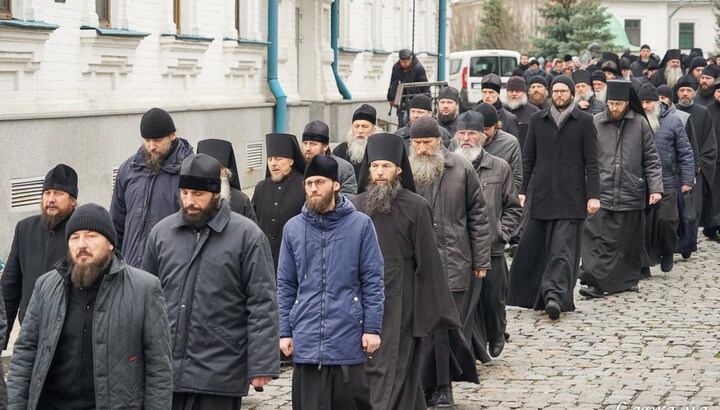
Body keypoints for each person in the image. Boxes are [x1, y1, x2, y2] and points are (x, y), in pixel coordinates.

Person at [142, 154, 279, 409]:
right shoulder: (161, 233)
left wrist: (262, 363)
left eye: (197, 194)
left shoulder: (248, 236)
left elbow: (262, 303)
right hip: (166, 371)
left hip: (220, 370)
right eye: (184, 193)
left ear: (216, 193)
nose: (189, 201)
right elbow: (144, 298)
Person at [7, 204, 173, 409]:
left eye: (91, 236)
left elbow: (159, 370)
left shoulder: (145, 289)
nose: (81, 244)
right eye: (74, 237)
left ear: (110, 244)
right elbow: (25, 353)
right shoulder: (46, 286)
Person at [352, 133, 461, 410]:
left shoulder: (416, 206)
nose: (379, 172)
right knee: (380, 367)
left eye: (386, 166)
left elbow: (429, 262)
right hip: (362, 297)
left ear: (399, 169)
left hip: (402, 298)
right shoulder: (356, 206)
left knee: (390, 365)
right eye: (375, 166)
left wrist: (432, 310)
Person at [277, 155, 384, 410]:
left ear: (335, 185)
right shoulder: (293, 229)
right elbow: (285, 284)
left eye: (320, 182)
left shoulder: (360, 225)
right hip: (306, 338)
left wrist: (372, 327)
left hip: (347, 336)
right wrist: (284, 331)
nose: (313, 189)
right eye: (309, 183)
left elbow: (373, 280)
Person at [507, 76, 600, 320]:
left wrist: (594, 195)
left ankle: (554, 297)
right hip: (543, 197)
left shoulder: (585, 121)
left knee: (562, 250)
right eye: (556, 91)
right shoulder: (538, 120)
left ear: (572, 94)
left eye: (564, 91)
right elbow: (528, 159)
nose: (559, 95)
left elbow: (592, 161)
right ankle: (538, 295)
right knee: (537, 249)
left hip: (572, 198)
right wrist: (522, 190)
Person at [408, 116, 486, 407]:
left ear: (439, 141)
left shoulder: (461, 167)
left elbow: (478, 216)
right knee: (426, 329)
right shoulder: (407, 170)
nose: (422, 149)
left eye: (427, 142)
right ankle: (430, 385)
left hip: (455, 259)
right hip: (419, 265)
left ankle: (444, 387)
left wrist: (481, 260)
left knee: (446, 328)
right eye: (417, 143)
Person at [578, 80, 663, 298]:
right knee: (596, 239)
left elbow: (651, 160)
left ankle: (626, 280)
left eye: (618, 104)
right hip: (600, 192)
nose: (614, 108)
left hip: (631, 190)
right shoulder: (595, 122)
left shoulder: (640, 124)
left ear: (627, 103)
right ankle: (594, 282)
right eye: (611, 103)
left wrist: (655, 188)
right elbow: (584, 158)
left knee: (628, 241)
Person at [453, 111, 522, 363]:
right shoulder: (450, 166)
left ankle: (496, 332)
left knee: (493, 300)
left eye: (471, 133)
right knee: (467, 303)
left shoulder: (499, 167)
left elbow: (513, 207)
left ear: (482, 136)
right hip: (459, 247)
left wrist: (501, 232)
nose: (466, 138)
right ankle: (472, 347)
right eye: (461, 133)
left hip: (491, 246)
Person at [2, 164, 78, 346]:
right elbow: (9, 291)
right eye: (47, 193)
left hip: (69, 337)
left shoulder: (81, 232)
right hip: (30, 333)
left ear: (73, 200)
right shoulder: (25, 229)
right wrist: (2, 341)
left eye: (58, 194)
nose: (51, 199)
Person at [110, 107, 194, 268]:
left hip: (171, 269)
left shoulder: (189, 170)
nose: (151, 147)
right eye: (147, 140)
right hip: (130, 269)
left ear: (173, 136)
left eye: (157, 141)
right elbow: (116, 221)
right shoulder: (128, 170)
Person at [635, 84, 694, 276]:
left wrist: (687, 179)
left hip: (667, 180)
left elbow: (685, 152)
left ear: (658, 102)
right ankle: (644, 265)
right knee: (642, 226)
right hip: (641, 182)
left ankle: (668, 250)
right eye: (642, 102)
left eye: (649, 102)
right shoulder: (635, 121)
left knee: (667, 221)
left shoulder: (673, 122)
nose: (645, 106)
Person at [252, 133, 307, 270]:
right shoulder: (261, 187)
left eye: (278, 159)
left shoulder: (304, 186)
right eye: (270, 159)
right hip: (263, 261)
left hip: (294, 260)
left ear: (291, 161)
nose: (273, 163)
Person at [674, 75, 719, 241]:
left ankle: (688, 245)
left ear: (694, 93)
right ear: (677, 93)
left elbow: (710, 143)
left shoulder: (703, 112)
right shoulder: (672, 112)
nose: (685, 93)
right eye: (682, 90)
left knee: (693, 210)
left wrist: (700, 163)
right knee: (675, 210)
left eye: (688, 90)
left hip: (696, 170)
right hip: (674, 170)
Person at [197, 138, 257, 222]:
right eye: (209, 168)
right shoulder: (190, 200)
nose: (214, 174)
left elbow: (253, 233)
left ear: (226, 171)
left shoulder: (242, 201)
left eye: (220, 169)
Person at [301, 120, 357, 198]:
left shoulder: (344, 168)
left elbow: (348, 198)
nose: (308, 148)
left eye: (313, 144)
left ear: (325, 146)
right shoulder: (297, 167)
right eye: (305, 143)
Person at [473, 103, 523, 191]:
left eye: (486, 129)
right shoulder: (461, 141)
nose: (482, 133)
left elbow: (516, 179)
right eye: (478, 128)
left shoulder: (510, 144)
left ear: (495, 126)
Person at [334, 104, 381, 179]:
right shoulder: (340, 151)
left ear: (374, 130)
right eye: (356, 126)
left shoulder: (380, 150)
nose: (360, 131)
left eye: (364, 127)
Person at [387, 49, 429, 128]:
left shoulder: (418, 68)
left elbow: (425, 85)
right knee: (402, 120)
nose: (404, 64)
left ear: (411, 59)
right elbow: (392, 83)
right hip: (402, 99)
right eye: (403, 62)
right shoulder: (396, 68)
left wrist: (425, 100)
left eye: (406, 61)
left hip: (415, 98)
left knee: (408, 119)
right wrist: (391, 97)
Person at [476, 73, 520, 138]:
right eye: (484, 92)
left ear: (498, 94)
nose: (487, 96)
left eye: (491, 92)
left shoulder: (509, 119)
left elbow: (513, 144)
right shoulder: (473, 114)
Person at [503, 76, 540, 150]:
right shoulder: (500, 111)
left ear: (524, 92)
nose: (514, 94)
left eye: (517, 91)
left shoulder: (534, 112)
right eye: (511, 91)